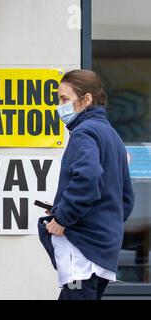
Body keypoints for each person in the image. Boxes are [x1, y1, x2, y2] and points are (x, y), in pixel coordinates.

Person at [38, 69, 134, 300]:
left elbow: (88, 177)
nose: (59, 106)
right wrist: (100, 220)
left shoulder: (84, 133)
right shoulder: (113, 136)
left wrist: (63, 217)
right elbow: (126, 200)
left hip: (82, 251)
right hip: (103, 252)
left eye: (64, 99)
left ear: (86, 99)